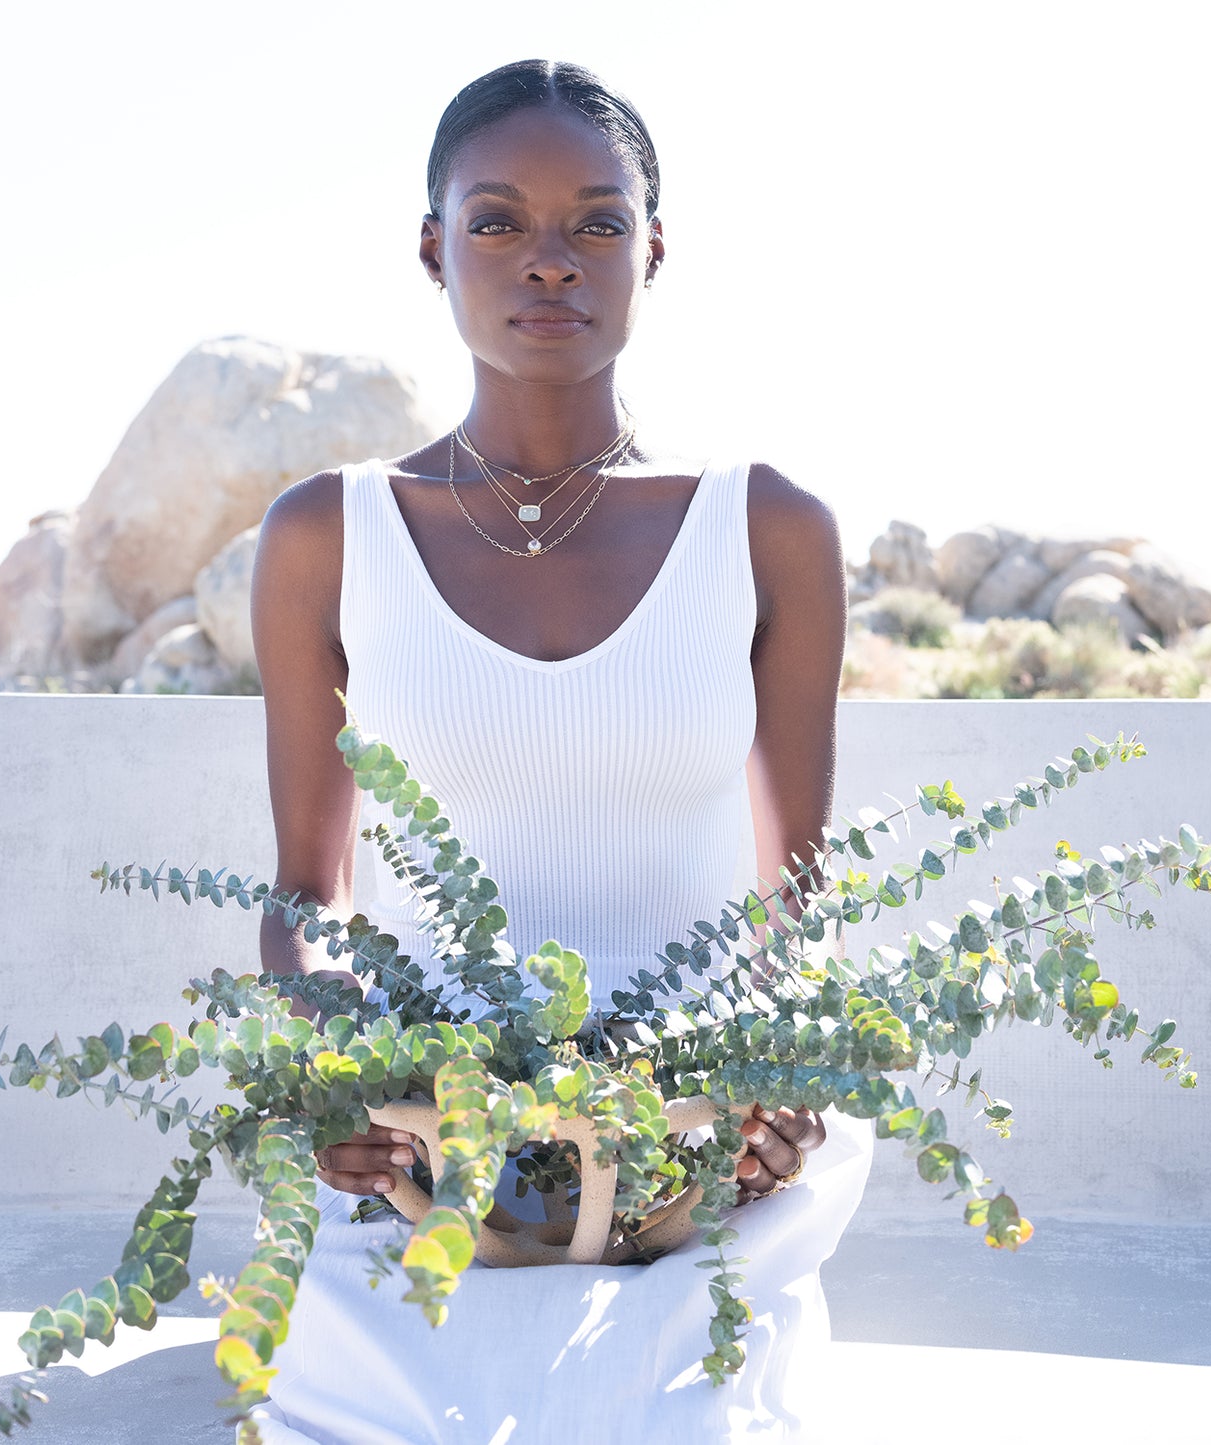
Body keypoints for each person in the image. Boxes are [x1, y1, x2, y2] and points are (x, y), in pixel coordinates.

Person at [244, 58, 873, 1445]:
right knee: (380, 1409)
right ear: (431, 248)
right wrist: (333, 1080)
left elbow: (799, 891)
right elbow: (306, 884)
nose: (549, 261)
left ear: (652, 250)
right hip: (423, 1147)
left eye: (596, 223)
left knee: (685, 1415)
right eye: (495, 222)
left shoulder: (769, 530)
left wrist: (783, 1077)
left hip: (697, 1144)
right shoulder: (325, 535)